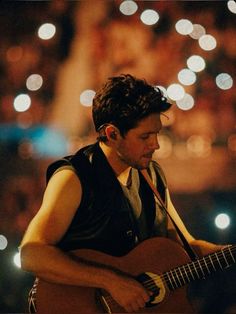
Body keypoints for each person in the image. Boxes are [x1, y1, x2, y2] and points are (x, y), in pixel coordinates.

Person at [20, 74, 226, 313]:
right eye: (145, 136)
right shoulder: (73, 178)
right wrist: (112, 282)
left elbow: (188, 246)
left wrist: (227, 252)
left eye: (157, 133)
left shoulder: (152, 175)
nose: (156, 144)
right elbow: (31, 253)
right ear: (112, 134)